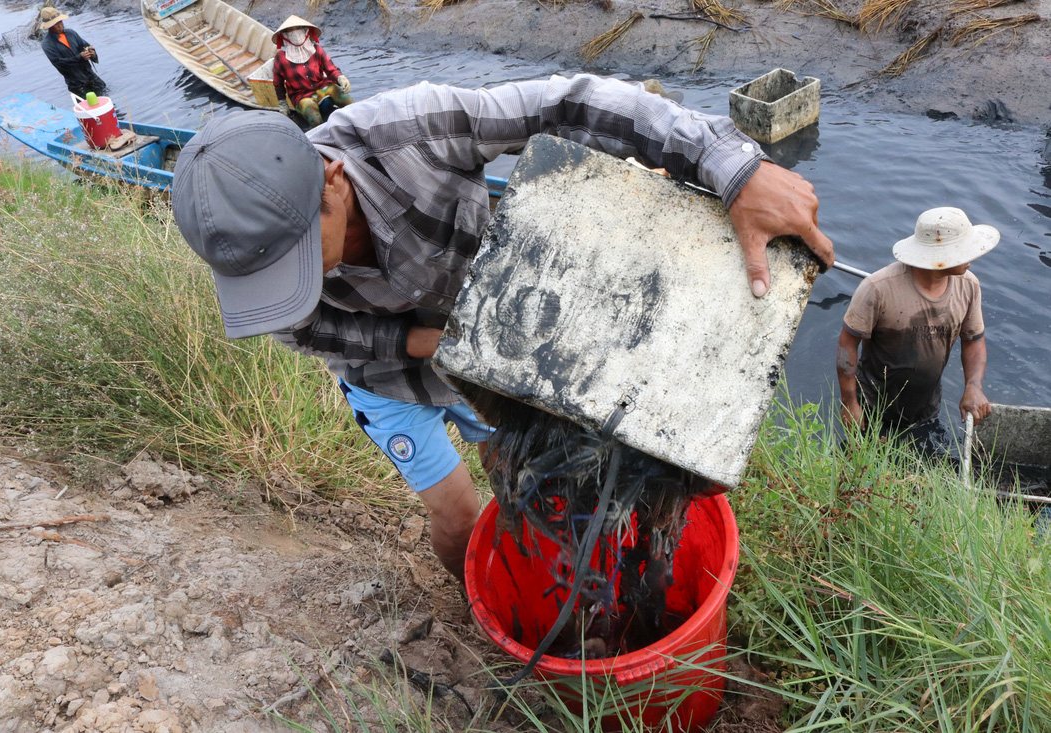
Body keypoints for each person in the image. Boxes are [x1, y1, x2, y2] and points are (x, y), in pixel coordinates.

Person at [171, 74, 834, 582]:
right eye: (275, 275)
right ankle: (482, 607)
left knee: (516, 475)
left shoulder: (408, 132)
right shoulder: (251, 257)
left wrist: (734, 167)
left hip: (501, 350)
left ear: (332, 179)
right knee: (460, 522)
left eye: (303, 256)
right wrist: (416, 344)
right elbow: (312, 335)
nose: (299, 283)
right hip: (388, 376)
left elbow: (572, 103)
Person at [837, 206, 996, 438]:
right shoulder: (878, 288)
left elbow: (973, 341)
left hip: (926, 406)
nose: (971, 259)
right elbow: (847, 344)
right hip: (872, 404)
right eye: (963, 251)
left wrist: (973, 386)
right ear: (940, 256)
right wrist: (849, 402)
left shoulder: (968, 285)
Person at [271, 16, 352, 128]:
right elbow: (278, 83)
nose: (296, 33)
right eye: (291, 30)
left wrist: (341, 78)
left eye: (299, 28)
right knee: (315, 119)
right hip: (302, 96)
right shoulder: (281, 58)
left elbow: (330, 68)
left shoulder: (316, 49)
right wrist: (283, 104)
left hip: (324, 87)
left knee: (348, 101)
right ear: (284, 35)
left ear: (306, 31)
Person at [38, 6, 107, 99]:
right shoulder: (47, 44)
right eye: (56, 24)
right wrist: (80, 57)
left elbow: (85, 45)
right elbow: (59, 63)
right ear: (49, 26)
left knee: (107, 99)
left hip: (90, 76)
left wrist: (92, 53)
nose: (60, 25)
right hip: (77, 84)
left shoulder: (71, 33)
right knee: (90, 107)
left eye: (60, 22)